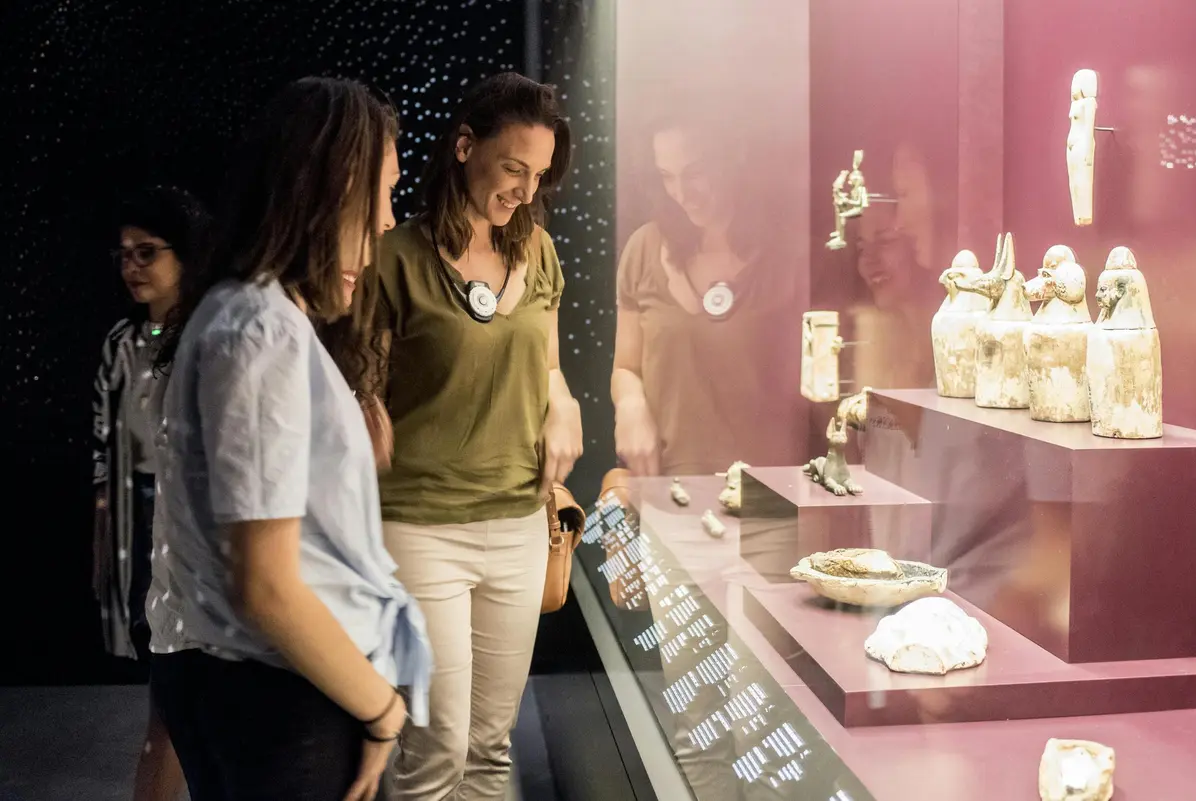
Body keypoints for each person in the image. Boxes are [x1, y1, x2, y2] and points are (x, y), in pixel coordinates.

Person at [146, 76, 430, 801]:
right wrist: (382, 707)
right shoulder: (260, 326)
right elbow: (266, 585)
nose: (385, 227)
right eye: (382, 194)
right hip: (284, 696)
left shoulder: (240, 313)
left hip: (250, 688)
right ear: (324, 188)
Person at [375, 72, 582, 800]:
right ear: (465, 147)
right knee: (434, 754)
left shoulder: (541, 253)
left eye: (540, 176)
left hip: (520, 523)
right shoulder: (393, 258)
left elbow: (548, 366)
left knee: (491, 750)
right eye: (513, 168)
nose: (526, 191)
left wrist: (564, 399)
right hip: (420, 526)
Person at [92, 185, 210, 801]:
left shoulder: (214, 334)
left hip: (204, 540)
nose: (132, 266)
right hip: (150, 528)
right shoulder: (125, 343)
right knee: (165, 713)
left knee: (176, 717)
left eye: (147, 253)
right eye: (124, 255)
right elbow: (107, 441)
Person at [611, 112, 804, 477]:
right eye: (668, 176)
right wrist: (630, 406)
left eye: (695, 172)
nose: (682, 194)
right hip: (668, 491)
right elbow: (625, 367)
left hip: (771, 498)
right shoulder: (644, 248)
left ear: (734, 156)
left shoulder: (787, 257)